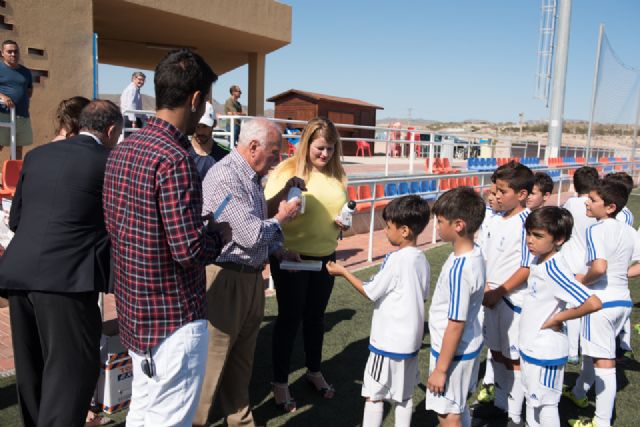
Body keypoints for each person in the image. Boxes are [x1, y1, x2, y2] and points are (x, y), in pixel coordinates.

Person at [103, 49, 231, 427]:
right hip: (173, 320)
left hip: (134, 313)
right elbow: (188, 249)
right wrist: (217, 235)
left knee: (141, 414)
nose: (203, 109)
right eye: (205, 101)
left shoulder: (123, 149)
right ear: (194, 99)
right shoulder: (176, 158)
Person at [0, 99, 122, 427]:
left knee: (33, 374)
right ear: (111, 130)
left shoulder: (36, 156)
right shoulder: (110, 162)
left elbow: (17, 219)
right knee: (70, 375)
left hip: (19, 277)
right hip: (68, 282)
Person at [194, 118, 302, 427]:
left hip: (249, 277)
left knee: (241, 362)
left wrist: (280, 201)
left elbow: (252, 223)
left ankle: (240, 420)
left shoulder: (249, 176)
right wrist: (282, 218)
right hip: (226, 278)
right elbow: (251, 234)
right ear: (253, 147)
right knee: (212, 364)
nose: (278, 159)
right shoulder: (226, 177)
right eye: (275, 151)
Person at [262, 117, 348, 411]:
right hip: (291, 258)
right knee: (289, 320)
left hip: (326, 257)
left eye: (331, 149)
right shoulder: (287, 170)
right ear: (306, 145)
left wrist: (341, 222)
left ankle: (314, 371)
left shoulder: (337, 174)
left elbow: (338, 209)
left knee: (315, 318)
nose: (326, 154)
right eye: (321, 148)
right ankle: (280, 383)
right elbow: (267, 208)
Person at [326, 195, 431, 427]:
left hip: (387, 343)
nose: (385, 230)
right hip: (411, 343)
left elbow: (371, 291)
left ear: (404, 230)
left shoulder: (395, 260)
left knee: (373, 395)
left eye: (388, 226)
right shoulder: (422, 258)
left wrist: (343, 272)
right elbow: (422, 296)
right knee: (404, 397)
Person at [520, 207, 602, 427]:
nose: (530, 240)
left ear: (559, 239)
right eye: (528, 233)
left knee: (546, 406)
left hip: (546, 350)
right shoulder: (538, 261)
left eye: (537, 236)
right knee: (532, 400)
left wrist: (557, 318)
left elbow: (593, 302)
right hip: (530, 347)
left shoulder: (555, 269)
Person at [564, 180, 636, 427]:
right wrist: (618, 277)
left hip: (601, 303)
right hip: (622, 301)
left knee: (604, 361)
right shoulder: (629, 230)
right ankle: (578, 393)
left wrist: (582, 279)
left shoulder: (596, 229)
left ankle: (602, 421)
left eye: (593, 200)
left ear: (610, 207)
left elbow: (599, 267)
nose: (587, 201)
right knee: (595, 354)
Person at [472, 161, 533, 426]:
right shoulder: (494, 219)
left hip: (512, 300)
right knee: (496, 353)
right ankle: (500, 404)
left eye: (503, 191)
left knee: (514, 360)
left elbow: (526, 267)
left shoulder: (527, 223)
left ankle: (516, 415)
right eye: (496, 189)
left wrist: (499, 291)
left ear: (521, 195)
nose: (497, 195)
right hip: (490, 297)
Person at [425, 187, 486, 427]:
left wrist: (441, 369)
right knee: (457, 406)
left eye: (440, 222)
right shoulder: (475, 254)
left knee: (447, 414)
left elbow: (455, 323)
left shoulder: (461, 269)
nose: (437, 226)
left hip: (453, 352)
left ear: (458, 224)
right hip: (465, 347)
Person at [561, 166, 599, 365]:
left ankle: (572, 350)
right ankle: (586, 346)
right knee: (587, 303)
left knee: (572, 304)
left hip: (571, 260)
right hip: (592, 262)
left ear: (575, 185)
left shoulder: (571, 203)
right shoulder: (598, 205)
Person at [0, 40, 33, 159]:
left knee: (18, 147)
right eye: (9, 52)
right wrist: (3, 97)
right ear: (2, 53)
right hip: (3, 114)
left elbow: (29, 90)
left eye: (15, 51)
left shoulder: (25, 71)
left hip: (22, 115)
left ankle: (13, 176)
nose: (13, 54)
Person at [188, 101, 228, 179]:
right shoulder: (182, 153)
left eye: (205, 126)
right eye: (197, 126)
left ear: (214, 124)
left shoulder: (225, 155)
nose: (200, 132)